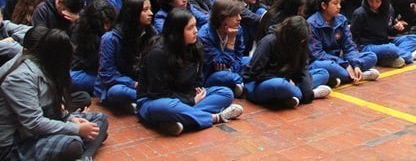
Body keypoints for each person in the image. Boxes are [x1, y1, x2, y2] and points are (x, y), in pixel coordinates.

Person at [0, 29, 109, 160]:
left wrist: (71, 119)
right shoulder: (20, 78)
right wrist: (76, 129)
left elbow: (52, 108)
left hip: (41, 127)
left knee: (100, 120)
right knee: (73, 144)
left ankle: (83, 157)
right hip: (17, 143)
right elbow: (35, 123)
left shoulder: (45, 67)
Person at [136, 9, 243, 136]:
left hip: (187, 95)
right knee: (167, 106)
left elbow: (198, 79)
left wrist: (195, 93)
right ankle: (215, 117)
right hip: (155, 100)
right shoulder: (158, 53)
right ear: (177, 32)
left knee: (225, 93)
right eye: (190, 28)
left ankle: (177, 120)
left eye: (195, 26)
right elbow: (157, 92)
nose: (196, 31)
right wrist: (190, 100)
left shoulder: (196, 46)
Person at [243, 15, 332, 108]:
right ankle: (305, 94)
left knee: (323, 73)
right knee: (279, 84)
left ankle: (293, 95)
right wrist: (284, 78)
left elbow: (303, 68)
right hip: (262, 82)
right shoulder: (269, 41)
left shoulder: (300, 42)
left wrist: (306, 89)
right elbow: (254, 73)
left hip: (288, 78)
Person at [307, 0, 380, 85]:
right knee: (329, 67)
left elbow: (349, 46)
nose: (339, 6)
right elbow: (317, 54)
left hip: (341, 59)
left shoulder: (341, 19)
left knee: (371, 56)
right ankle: (359, 76)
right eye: (335, 3)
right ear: (324, 5)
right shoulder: (312, 24)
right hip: (324, 61)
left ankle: (346, 76)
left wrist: (355, 64)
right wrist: (344, 64)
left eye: (340, 3)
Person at [350, 0, 416, 68]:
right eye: (371, 1)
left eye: (377, 1)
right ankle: (409, 56)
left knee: (413, 38)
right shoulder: (360, 13)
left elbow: (388, 32)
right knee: (390, 48)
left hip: (384, 41)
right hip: (367, 46)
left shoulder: (388, 9)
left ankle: (391, 57)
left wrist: (395, 28)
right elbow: (353, 38)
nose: (374, 4)